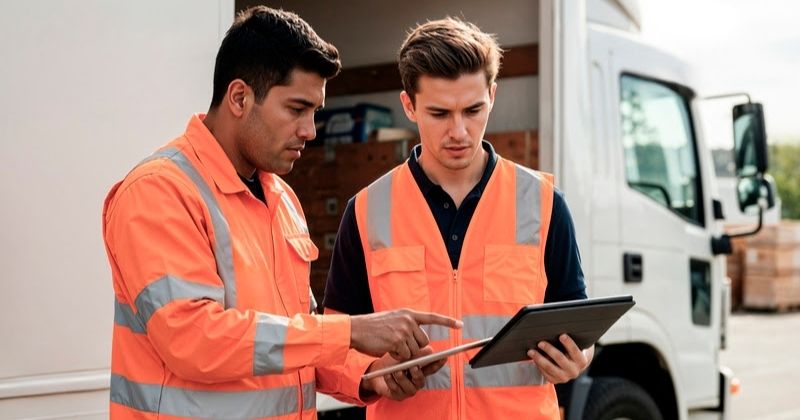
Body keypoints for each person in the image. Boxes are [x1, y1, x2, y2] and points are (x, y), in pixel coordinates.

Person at [102, 7, 460, 419]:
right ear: (239, 97)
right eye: (296, 109)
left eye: (315, 112)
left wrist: (371, 374)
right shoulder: (159, 191)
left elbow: (297, 336)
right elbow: (193, 340)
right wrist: (353, 330)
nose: (310, 129)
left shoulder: (282, 199)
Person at [322, 17, 592, 419]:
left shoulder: (544, 203)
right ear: (409, 106)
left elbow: (579, 327)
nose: (459, 131)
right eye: (440, 113)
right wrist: (373, 374)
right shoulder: (366, 210)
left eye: (473, 110)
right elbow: (332, 344)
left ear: (493, 95)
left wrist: (579, 358)